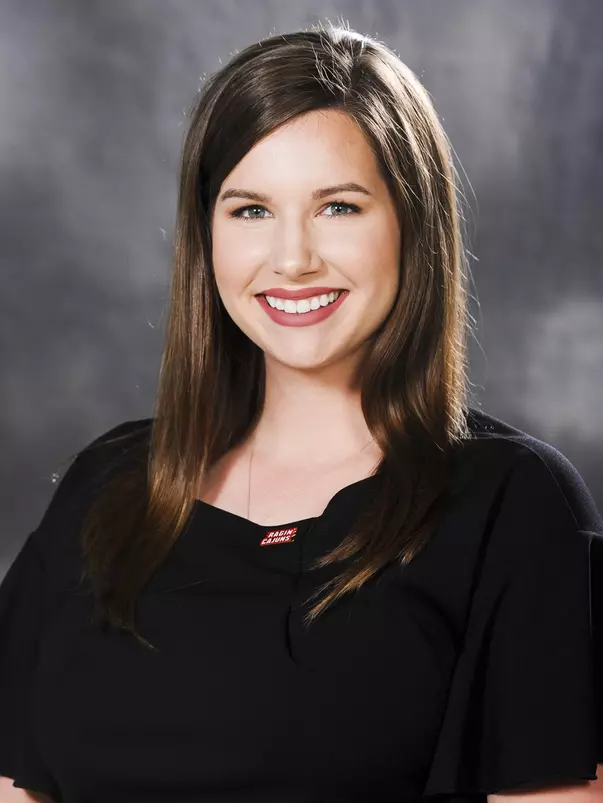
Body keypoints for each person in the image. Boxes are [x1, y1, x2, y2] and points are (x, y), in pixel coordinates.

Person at [1, 20, 602, 803]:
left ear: (412, 226)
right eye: (249, 210)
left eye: (338, 207)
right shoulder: (105, 487)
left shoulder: (513, 506)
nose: (291, 258)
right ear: (204, 235)